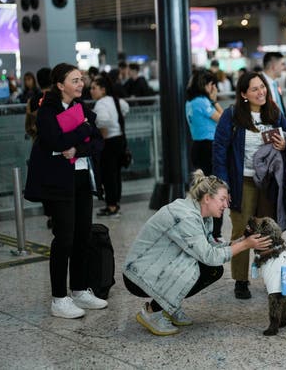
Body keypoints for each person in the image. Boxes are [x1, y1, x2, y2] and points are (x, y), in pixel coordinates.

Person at [122, 170, 272, 336]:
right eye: (222, 199)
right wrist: (245, 245)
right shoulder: (186, 216)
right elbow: (209, 256)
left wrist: (240, 241)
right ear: (207, 198)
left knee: (212, 270)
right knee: (199, 266)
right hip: (138, 275)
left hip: (156, 267)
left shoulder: (201, 214)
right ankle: (153, 312)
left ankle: (169, 305)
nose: (226, 205)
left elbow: (210, 246)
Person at [24, 62, 107, 319]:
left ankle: (80, 289)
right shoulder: (47, 111)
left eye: (81, 79)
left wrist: (77, 148)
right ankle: (59, 298)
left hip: (82, 177)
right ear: (60, 85)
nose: (81, 84)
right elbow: (55, 141)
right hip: (58, 182)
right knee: (65, 238)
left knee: (83, 234)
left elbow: (97, 142)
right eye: (75, 80)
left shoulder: (81, 108)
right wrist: (81, 129)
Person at [213, 71, 286, 299]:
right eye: (254, 89)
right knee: (241, 229)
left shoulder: (274, 113)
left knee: (268, 228)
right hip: (241, 181)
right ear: (244, 94)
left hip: (268, 181)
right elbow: (219, 150)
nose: (261, 92)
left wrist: (284, 144)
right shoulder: (233, 115)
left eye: (262, 87)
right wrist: (222, 184)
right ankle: (240, 280)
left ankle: (271, 274)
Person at [185, 69, 224, 239]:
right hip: (208, 148)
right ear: (205, 84)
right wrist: (215, 101)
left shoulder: (190, 102)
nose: (214, 87)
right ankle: (214, 232)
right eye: (212, 84)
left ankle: (209, 231)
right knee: (214, 191)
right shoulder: (202, 102)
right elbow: (223, 120)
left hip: (198, 147)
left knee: (205, 191)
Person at [91, 74, 130, 217]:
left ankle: (111, 206)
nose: (91, 91)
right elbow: (126, 108)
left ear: (103, 89)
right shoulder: (115, 100)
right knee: (115, 174)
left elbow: (103, 120)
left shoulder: (100, 104)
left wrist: (103, 130)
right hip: (119, 139)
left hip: (108, 142)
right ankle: (115, 203)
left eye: (94, 88)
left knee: (108, 175)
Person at [25, 67, 55, 230]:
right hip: (57, 145)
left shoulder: (32, 100)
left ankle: (49, 214)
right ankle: (59, 211)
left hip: (39, 145)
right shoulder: (57, 98)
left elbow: (28, 126)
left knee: (44, 180)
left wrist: (35, 134)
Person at [261, 52, 286, 116]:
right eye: (282, 64)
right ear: (274, 67)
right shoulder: (258, 84)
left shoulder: (275, 83)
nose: (284, 67)